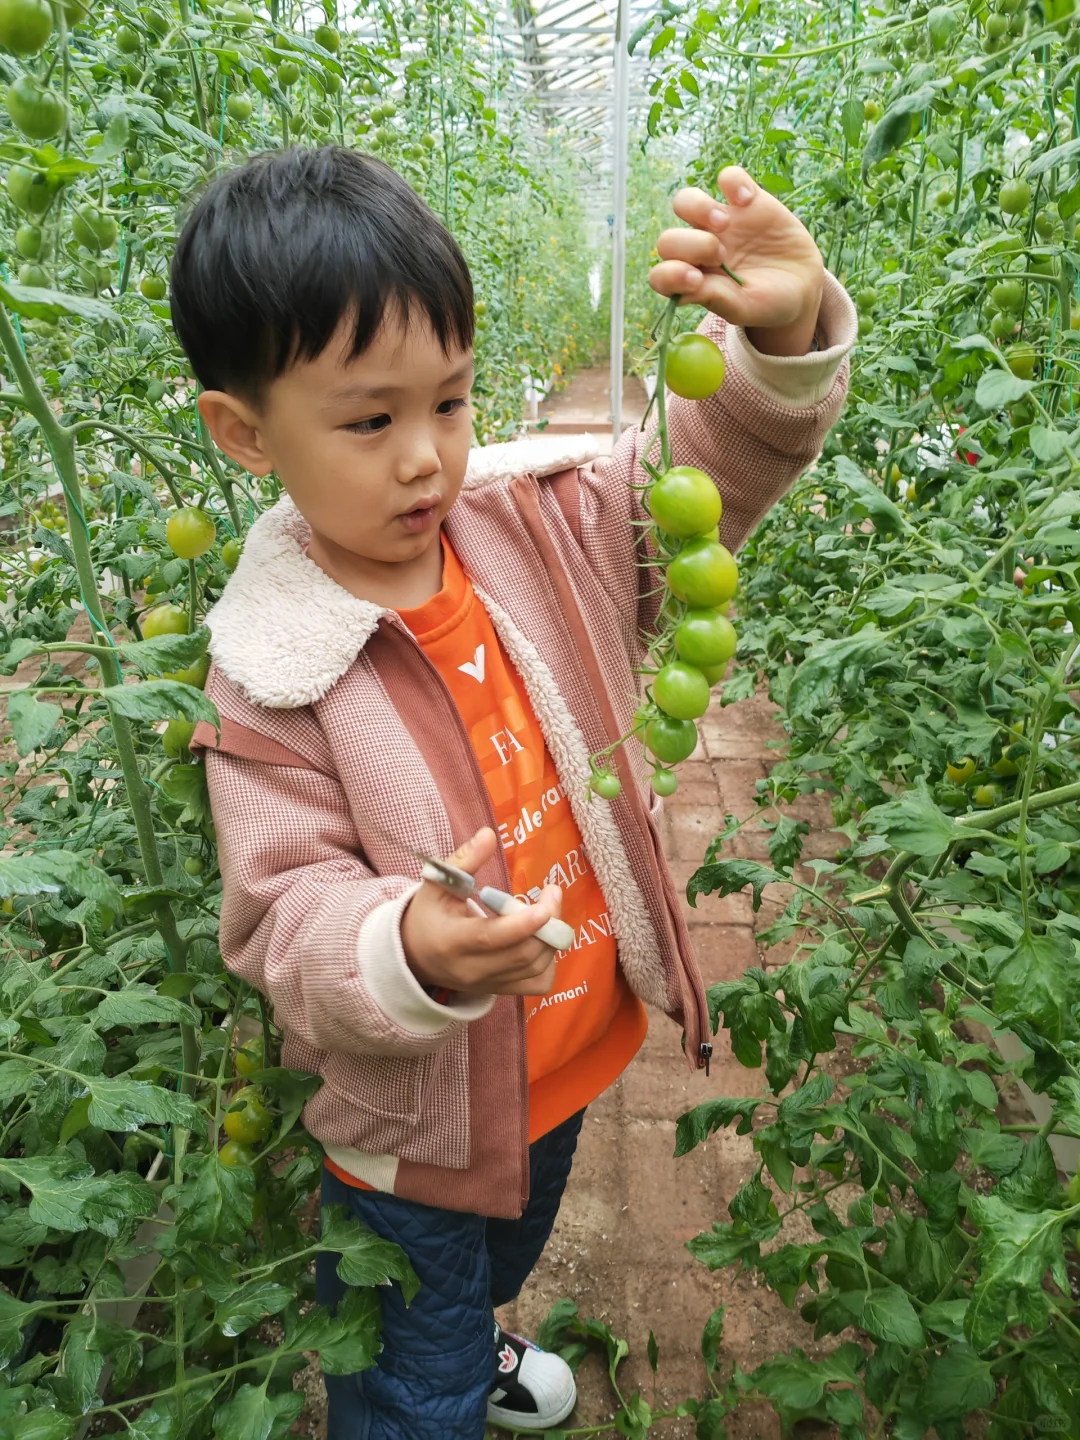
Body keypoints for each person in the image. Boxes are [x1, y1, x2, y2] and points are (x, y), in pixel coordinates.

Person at [173, 144, 856, 1438]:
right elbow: (282, 913)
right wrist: (405, 950)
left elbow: (697, 475)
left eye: (453, 399)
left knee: (494, 1260)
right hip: (415, 1129)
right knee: (405, 1377)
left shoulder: (536, 523)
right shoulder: (269, 675)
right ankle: (432, 1388)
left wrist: (781, 341)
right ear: (244, 432)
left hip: (564, 1057)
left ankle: (473, 1339)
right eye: (372, 421)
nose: (428, 457)